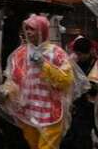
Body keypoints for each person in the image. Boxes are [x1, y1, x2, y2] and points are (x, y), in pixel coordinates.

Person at [7, 16, 74, 149]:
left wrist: (44, 65)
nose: (28, 32)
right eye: (26, 29)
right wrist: (6, 91)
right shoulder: (20, 54)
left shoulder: (57, 53)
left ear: (42, 30)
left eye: (32, 29)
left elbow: (66, 80)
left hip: (51, 112)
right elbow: (14, 80)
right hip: (28, 111)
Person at [63, 35, 98, 149]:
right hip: (78, 106)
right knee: (77, 136)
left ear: (89, 52)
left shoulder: (96, 64)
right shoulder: (73, 64)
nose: (79, 57)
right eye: (77, 53)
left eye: (81, 54)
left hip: (94, 105)